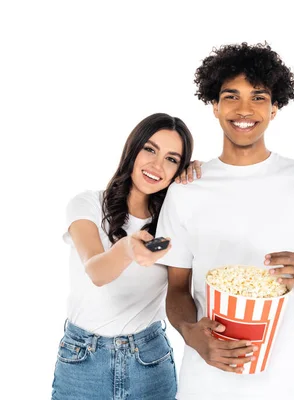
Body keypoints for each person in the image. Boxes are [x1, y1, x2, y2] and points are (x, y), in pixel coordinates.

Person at [156, 42, 294, 399]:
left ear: (275, 108)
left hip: (288, 384)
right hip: (206, 384)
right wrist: (189, 331)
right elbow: (177, 288)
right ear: (214, 105)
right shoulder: (187, 187)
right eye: (231, 96)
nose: (244, 109)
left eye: (258, 97)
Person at [51, 112, 201, 400]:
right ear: (133, 149)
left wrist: (201, 180)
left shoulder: (172, 222)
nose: (157, 165)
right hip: (82, 362)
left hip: (149, 361)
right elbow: (96, 271)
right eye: (150, 149)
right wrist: (129, 248)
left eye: (171, 159)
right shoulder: (87, 205)